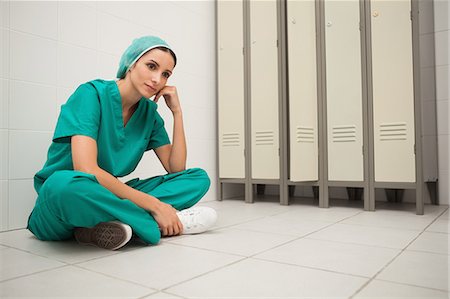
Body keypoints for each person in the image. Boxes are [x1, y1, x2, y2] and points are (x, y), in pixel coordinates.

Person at [26, 36, 217, 251]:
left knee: (198, 178)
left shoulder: (149, 115)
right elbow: (86, 169)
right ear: (131, 63)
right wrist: (156, 205)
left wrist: (177, 112)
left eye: (165, 74)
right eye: (151, 66)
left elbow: (176, 169)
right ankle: (159, 223)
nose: (157, 79)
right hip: (66, 200)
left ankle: (100, 228)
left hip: (107, 196)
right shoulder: (91, 95)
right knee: (63, 184)